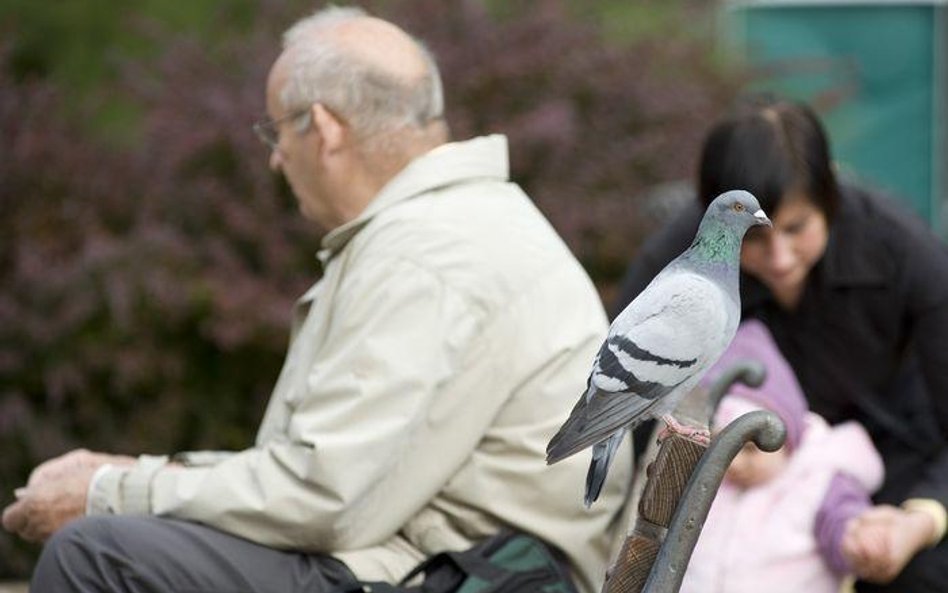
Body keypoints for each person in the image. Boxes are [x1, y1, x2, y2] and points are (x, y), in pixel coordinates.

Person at [1, 7, 632, 593]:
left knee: (95, 555)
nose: (275, 159)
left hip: (470, 574)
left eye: (275, 131)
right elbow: (321, 476)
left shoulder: (427, 254)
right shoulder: (455, 226)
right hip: (458, 559)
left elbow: (325, 499)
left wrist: (112, 490)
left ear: (325, 128)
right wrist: (137, 471)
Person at [614, 95, 948, 592]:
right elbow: (630, 392)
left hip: (894, 461)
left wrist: (919, 520)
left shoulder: (904, 251)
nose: (780, 258)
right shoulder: (681, 256)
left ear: (830, 201)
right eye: (753, 239)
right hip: (742, 476)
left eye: (797, 229)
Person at [680, 319, 884, 593]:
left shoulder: (818, 476)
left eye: (751, 448)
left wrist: (855, 538)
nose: (735, 463)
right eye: (721, 448)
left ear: (789, 440)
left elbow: (840, 517)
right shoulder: (698, 482)